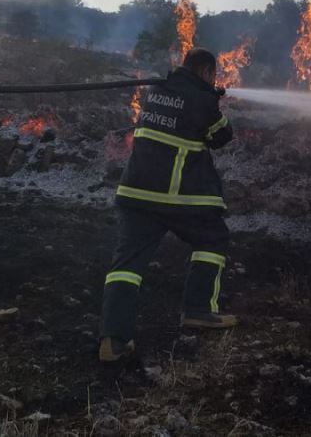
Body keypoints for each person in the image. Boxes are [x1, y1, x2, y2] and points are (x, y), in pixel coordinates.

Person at [98, 48, 236, 363]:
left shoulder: (155, 91)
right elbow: (222, 136)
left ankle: (113, 340)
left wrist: (206, 98)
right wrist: (211, 100)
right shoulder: (201, 100)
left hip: (135, 193)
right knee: (213, 239)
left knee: (127, 264)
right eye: (213, 76)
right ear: (206, 72)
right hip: (176, 195)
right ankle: (199, 309)